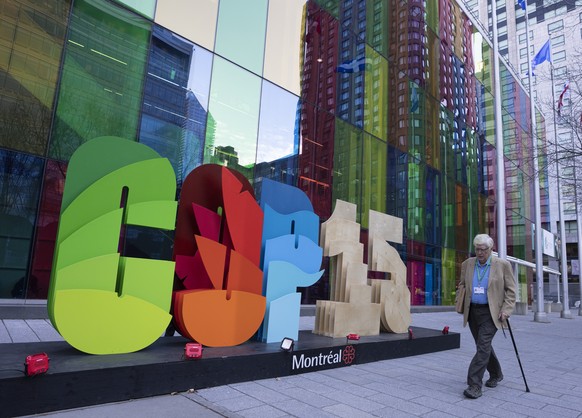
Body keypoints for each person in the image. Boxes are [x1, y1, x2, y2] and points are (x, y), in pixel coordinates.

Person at [458, 233, 516, 399]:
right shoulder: (467, 264)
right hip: (473, 312)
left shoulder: (502, 265)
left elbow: (511, 291)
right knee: (483, 346)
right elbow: (462, 285)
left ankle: (474, 384)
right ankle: (496, 373)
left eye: (483, 249)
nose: (480, 253)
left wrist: (506, 309)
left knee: (483, 346)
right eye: (477, 249)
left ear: (491, 249)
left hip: (492, 313)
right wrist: (459, 300)